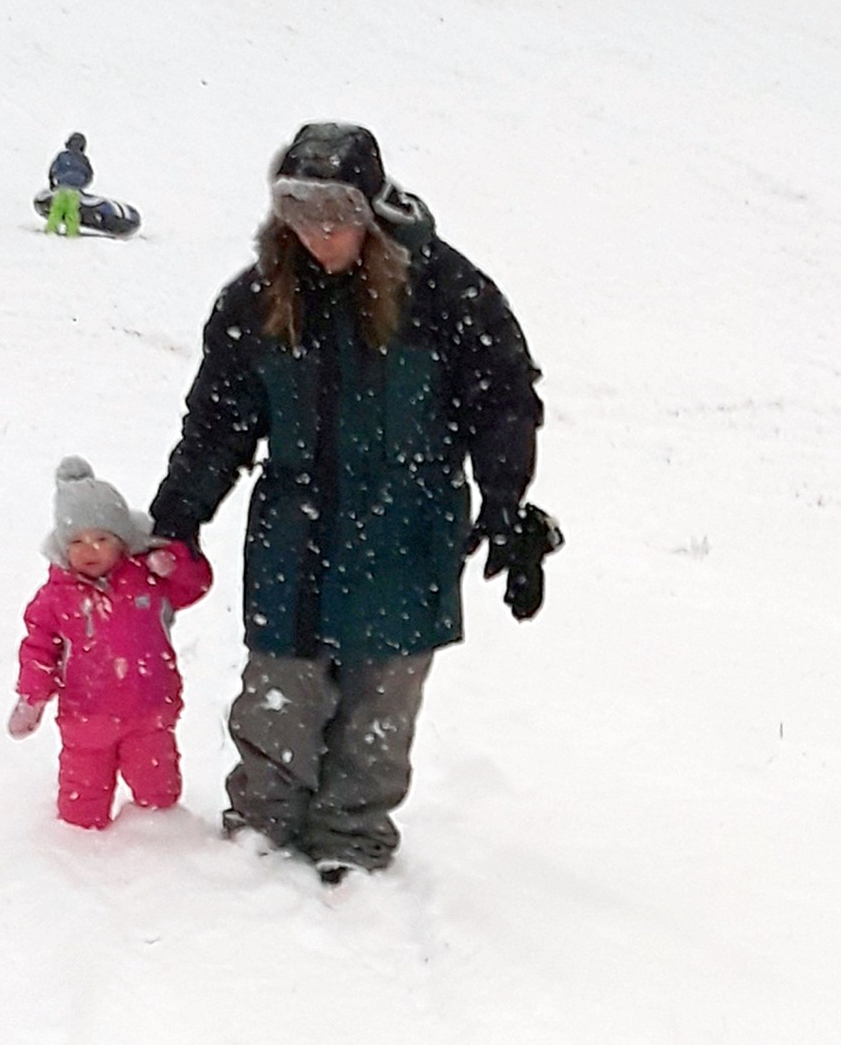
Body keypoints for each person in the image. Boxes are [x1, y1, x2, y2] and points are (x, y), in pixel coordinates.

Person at [151, 123, 560, 882]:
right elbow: (216, 426)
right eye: (299, 217)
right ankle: (259, 841)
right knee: (281, 692)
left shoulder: (444, 291)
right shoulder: (257, 300)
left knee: (382, 702)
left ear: (371, 211)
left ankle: (352, 840)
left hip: (409, 528)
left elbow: (504, 398)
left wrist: (506, 504)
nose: (318, 235)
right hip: (295, 534)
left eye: (334, 217)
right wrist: (178, 517)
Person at [9, 457, 212, 829]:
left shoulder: (148, 579)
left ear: (123, 540)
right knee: (81, 808)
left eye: (102, 539)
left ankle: (168, 851)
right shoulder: (56, 597)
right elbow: (39, 648)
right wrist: (32, 696)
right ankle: (79, 860)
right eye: (77, 542)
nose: (90, 551)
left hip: (150, 710)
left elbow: (194, 586)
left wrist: (176, 565)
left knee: (159, 797)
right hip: (86, 718)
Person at [45, 131, 93, 237]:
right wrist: (83, 184)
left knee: (56, 210)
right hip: (74, 190)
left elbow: (53, 169)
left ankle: (51, 229)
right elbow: (89, 174)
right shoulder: (83, 159)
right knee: (72, 212)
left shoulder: (62, 156)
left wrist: (52, 182)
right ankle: (72, 232)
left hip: (61, 188)